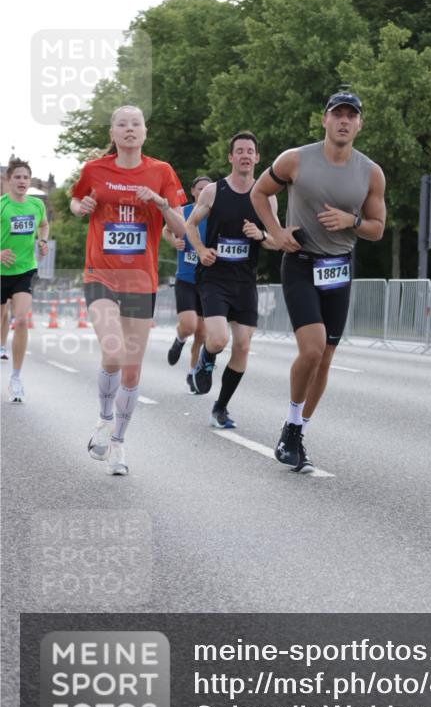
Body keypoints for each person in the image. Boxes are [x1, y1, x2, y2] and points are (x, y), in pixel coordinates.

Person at [251, 91, 386, 473]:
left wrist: (351, 221)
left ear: (359, 124)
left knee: (325, 358)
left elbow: (377, 228)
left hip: (339, 268)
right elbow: (259, 193)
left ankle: (295, 432)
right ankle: (293, 423)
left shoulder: (371, 173)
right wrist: (276, 233)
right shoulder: (294, 160)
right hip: (301, 263)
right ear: (324, 119)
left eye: (351, 116)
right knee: (311, 350)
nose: (343, 121)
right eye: (337, 114)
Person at [70, 105, 186, 475]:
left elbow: (180, 228)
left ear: (145, 132)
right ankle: (104, 420)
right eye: (122, 124)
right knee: (114, 352)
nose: (130, 129)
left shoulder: (161, 171)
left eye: (136, 123)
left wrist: (161, 203)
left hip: (140, 281)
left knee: (132, 372)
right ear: (113, 133)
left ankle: (118, 444)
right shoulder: (94, 169)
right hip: (101, 275)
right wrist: (81, 206)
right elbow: (75, 201)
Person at [185, 132, 278, 429]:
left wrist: (260, 235)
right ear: (231, 157)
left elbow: (276, 240)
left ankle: (220, 408)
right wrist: (201, 250)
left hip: (245, 281)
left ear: (257, 157)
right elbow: (190, 224)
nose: (245, 155)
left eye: (250, 151)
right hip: (215, 277)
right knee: (218, 339)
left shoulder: (267, 196)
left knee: (242, 347)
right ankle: (206, 359)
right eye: (239, 151)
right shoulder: (214, 191)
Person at [0, 158, 49, 400]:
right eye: (17, 177)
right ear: (8, 180)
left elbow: (44, 225)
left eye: (26, 177)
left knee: (20, 321)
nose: (22, 181)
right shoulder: (2, 205)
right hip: (1, 271)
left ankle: (16, 378)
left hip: (25, 270)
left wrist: (42, 241)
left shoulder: (36, 204)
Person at [163, 175, 212, 392]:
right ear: (193, 191)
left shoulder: (217, 214)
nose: (204, 191)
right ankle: (180, 339)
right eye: (200, 188)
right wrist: (174, 241)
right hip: (185, 278)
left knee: (201, 334)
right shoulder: (183, 212)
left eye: (208, 188)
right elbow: (166, 230)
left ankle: (192, 373)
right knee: (189, 326)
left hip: (208, 281)